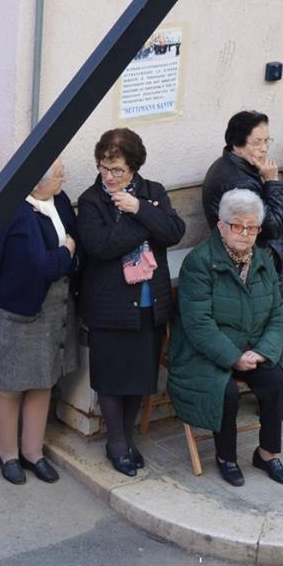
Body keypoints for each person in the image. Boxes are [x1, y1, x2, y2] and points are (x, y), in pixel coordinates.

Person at [74, 128, 185, 478]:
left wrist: (139, 208)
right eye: (104, 167)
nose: (109, 176)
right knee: (111, 378)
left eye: (117, 170)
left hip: (149, 301)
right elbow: (101, 246)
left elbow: (175, 231)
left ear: (134, 167)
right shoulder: (92, 200)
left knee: (139, 376)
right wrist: (146, 220)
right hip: (109, 305)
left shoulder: (153, 193)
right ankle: (116, 443)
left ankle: (128, 438)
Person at [167, 190, 283, 487]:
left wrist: (261, 353)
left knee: (275, 380)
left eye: (252, 228)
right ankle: (226, 457)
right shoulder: (200, 263)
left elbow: (277, 313)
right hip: (204, 352)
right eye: (237, 226)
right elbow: (198, 324)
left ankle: (267, 454)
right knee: (226, 392)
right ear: (221, 226)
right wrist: (233, 357)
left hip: (251, 350)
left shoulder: (262, 260)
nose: (245, 233)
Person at [0, 158, 79, 486]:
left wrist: (68, 254)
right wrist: (66, 253)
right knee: (9, 387)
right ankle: (7, 454)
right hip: (18, 313)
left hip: (54, 307)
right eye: (58, 173)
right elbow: (41, 266)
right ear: (36, 183)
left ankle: (33, 452)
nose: (64, 176)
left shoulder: (60, 200)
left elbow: (77, 243)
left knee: (42, 382)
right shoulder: (16, 213)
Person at [200, 110, 283, 271]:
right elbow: (273, 228)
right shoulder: (240, 183)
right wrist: (272, 181)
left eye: (267, 140)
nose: (264, 148)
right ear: (237, 144)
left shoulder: (228, 163)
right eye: (257, 142)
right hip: (252, 263)